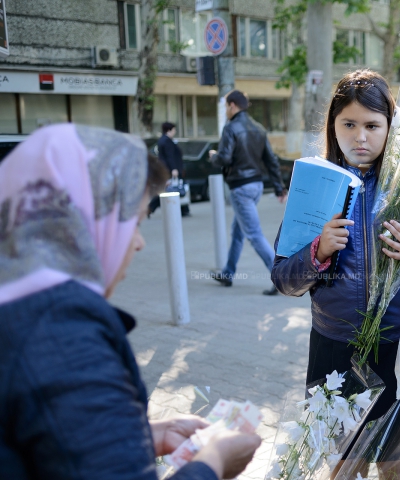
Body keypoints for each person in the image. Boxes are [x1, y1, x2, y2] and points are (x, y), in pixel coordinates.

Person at [0, 124, 262, 480]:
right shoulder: (63, 336)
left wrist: (137, 435)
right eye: (133, 223)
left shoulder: (18, 305)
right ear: (82, 223)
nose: (139, 243)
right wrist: (213, 461)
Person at [270, 69, 400, 479]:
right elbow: (284, 279)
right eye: (349, 124)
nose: (361, 136)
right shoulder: (316, 187)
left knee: (397, 464)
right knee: (344, 465)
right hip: (335, 349)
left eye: (373, 125)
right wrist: (317, 251)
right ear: (333, 126)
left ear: (390, 128)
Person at [208, 90, 286, 295]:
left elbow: (224, 158)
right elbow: (271, 160)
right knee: (237, 232)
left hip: (240, 188)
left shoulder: (231, 128)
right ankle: (228, 273)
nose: (226, 110)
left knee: (253, 234)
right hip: (256, 187)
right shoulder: (258, 128)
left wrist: (214, 156)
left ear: (233, 105)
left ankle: (279, 278)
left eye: (226, 106)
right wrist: (278, 187)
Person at [149, 122, 188, 217]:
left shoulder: (163, 140)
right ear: (169, 130)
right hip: (170, 169)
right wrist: (174, 168)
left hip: (167, 168)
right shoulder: (167, 141)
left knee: (172, 188)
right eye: (174, 129)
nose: (175, 131)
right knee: (172, 189)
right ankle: (150, 207)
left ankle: (184, 209)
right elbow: (170, 156)